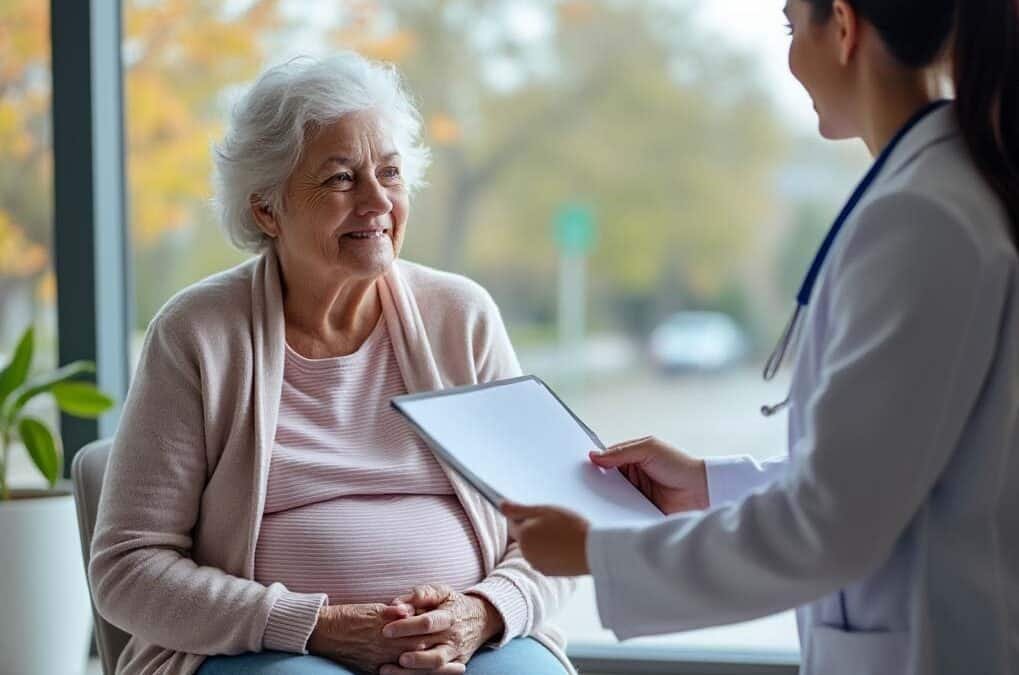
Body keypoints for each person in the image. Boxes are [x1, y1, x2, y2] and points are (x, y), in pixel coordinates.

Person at [503, 1, 1019, 673]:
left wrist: (594, 553)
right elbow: (888, 474)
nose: (787, 58)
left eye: (787, 25)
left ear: (840, 25)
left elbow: (827, 525)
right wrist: (707, 483)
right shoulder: (941, 188)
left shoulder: (920, 217)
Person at [90, 53, 574, 675]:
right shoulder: (197, 334)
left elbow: (560, 523)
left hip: (468, 644)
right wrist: (314, 626)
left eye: (390, 173)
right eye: (342, 178)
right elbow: (128, 568)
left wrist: (482, 612)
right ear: (267, 209)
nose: (377, 201)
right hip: (270, 651)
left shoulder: (461, 316)